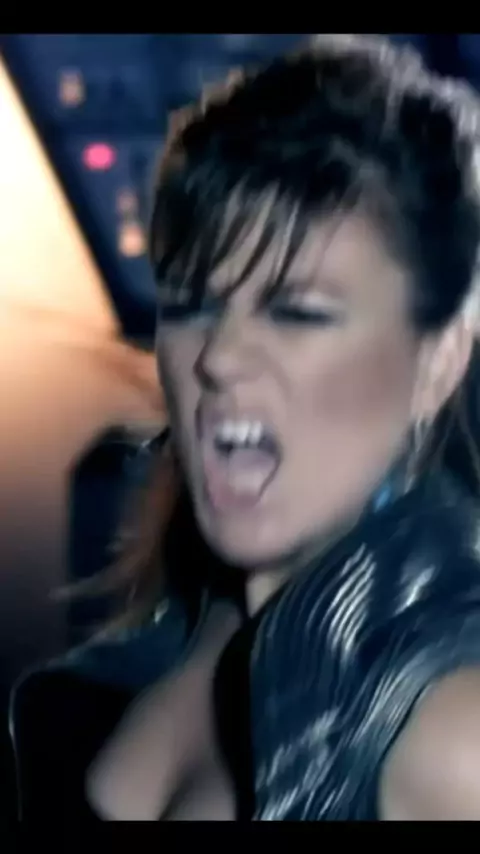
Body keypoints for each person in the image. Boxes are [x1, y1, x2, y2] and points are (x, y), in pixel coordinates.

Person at [10, 32, 480, 821]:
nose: (220, 357)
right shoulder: (171, 633)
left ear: (437, 362)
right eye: (191, 305)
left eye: (298, 311)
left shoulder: (454, 731)